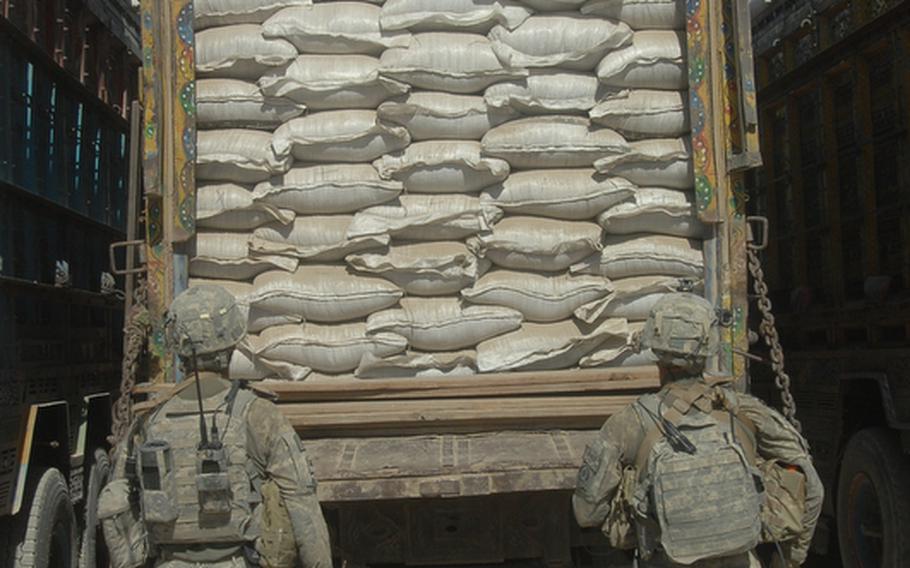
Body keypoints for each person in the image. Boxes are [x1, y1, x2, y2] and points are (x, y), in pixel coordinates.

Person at [572, 293, 822, 568]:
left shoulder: (628, 423)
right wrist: (788, 559)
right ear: (710, 347)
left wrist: (631, 520)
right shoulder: (747, 414)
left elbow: (587, 513)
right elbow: (812, 488)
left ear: (654, 349)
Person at [99, 285, 332, 568]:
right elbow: (303, 510)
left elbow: (119, 509)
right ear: (234, 343)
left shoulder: (148, 422)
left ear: (176, 347)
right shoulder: (259, 415)